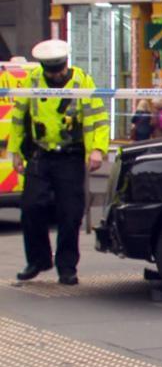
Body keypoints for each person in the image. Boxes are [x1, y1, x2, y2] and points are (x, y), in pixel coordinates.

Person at [7, 39, 109, 284]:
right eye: (52, 71)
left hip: (70, 157)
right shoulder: (33, 81)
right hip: (40, 155)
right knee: (31, 207)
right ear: (44, 68)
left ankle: (67, 267)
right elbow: (19, 118)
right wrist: (16, 152)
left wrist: (97, 149)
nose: (57, 74)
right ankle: (38, 260)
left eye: (60, 68)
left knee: (70, 212)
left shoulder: (81, 81)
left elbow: (97, 118)